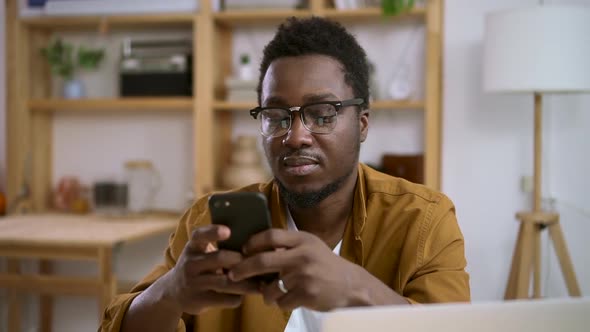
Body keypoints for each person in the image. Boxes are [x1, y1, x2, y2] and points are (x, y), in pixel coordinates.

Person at [100, 16, 470, 332]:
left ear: (362, 124)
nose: (294, 136)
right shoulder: (210, 223)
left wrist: (355, 290)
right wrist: (171, 292)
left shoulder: (424, 221)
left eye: (322, 113)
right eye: (275, 117)